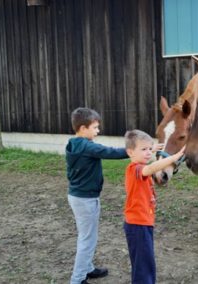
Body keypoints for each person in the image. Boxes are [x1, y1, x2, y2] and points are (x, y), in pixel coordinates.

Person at [66, 107, 130, 284]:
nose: (98, 131)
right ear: (83, 128)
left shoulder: (74, 143)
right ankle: (77, 279)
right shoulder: (87, 146)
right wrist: (135, 149)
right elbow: (110, 152)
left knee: (88, 236)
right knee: (87, 239)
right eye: (95, 127)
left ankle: (87, 268)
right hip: (85, 199)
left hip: (80, 197)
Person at [123, 129, 185, 284]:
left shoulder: (141, 167)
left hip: (143, 223)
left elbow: (149, 165)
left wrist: (151, 148)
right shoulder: (135, 169)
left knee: (144, 262)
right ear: (130, 152)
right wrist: (174, 157)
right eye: (143, 149)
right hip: (137, 225)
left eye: (150, 149)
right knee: (143, 265)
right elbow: (151, 169)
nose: (148, 153)